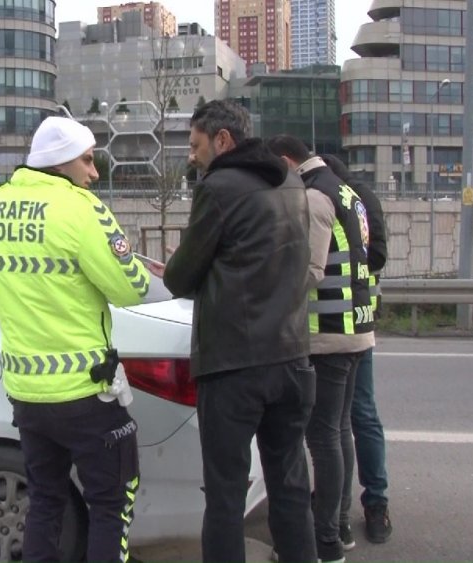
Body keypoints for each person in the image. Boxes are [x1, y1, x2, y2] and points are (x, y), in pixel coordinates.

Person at [0, 116, 151, 563]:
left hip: (28, 396)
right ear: (59, 163)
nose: (93, 172)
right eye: (87, 161)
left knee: (46, 501)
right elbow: (133, 287)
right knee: (111, 505)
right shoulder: (81, 210)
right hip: (88, 395)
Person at [162, 100, 317, 563]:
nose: (192, 155)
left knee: (227, 496)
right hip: (292, 359)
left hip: (234, 366)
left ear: (223, 140)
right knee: (290, 487)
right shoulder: (291, 181)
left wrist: (183, 261)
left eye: (195, 145)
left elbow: (179, 277)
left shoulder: (220, 187)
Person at [267, 137, 375, 562]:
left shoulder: (315, 196)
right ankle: (341, 526)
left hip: (327, 333)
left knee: (324, 438)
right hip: (356, 328)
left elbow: (309, 269)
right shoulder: (346, 191)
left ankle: (326, 540)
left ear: (286, 161)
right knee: (339, 432)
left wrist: (269, 303)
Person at [321, 153, 393, 544]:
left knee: (356, 416)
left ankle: (375, 503)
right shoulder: (356, 197)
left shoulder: (355, 200)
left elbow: (377, 255)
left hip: (352, 320)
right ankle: (341, 506)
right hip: (345, 320)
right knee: (342, 421)